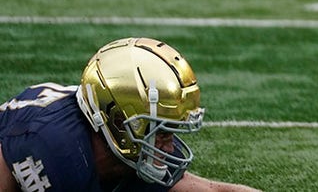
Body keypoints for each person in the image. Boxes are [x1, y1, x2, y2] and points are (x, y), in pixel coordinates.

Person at [0, 37, 259, 192]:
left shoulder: (124, 154)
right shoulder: (53, 147)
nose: (168, 148)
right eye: (161, 132)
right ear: (117, 121)